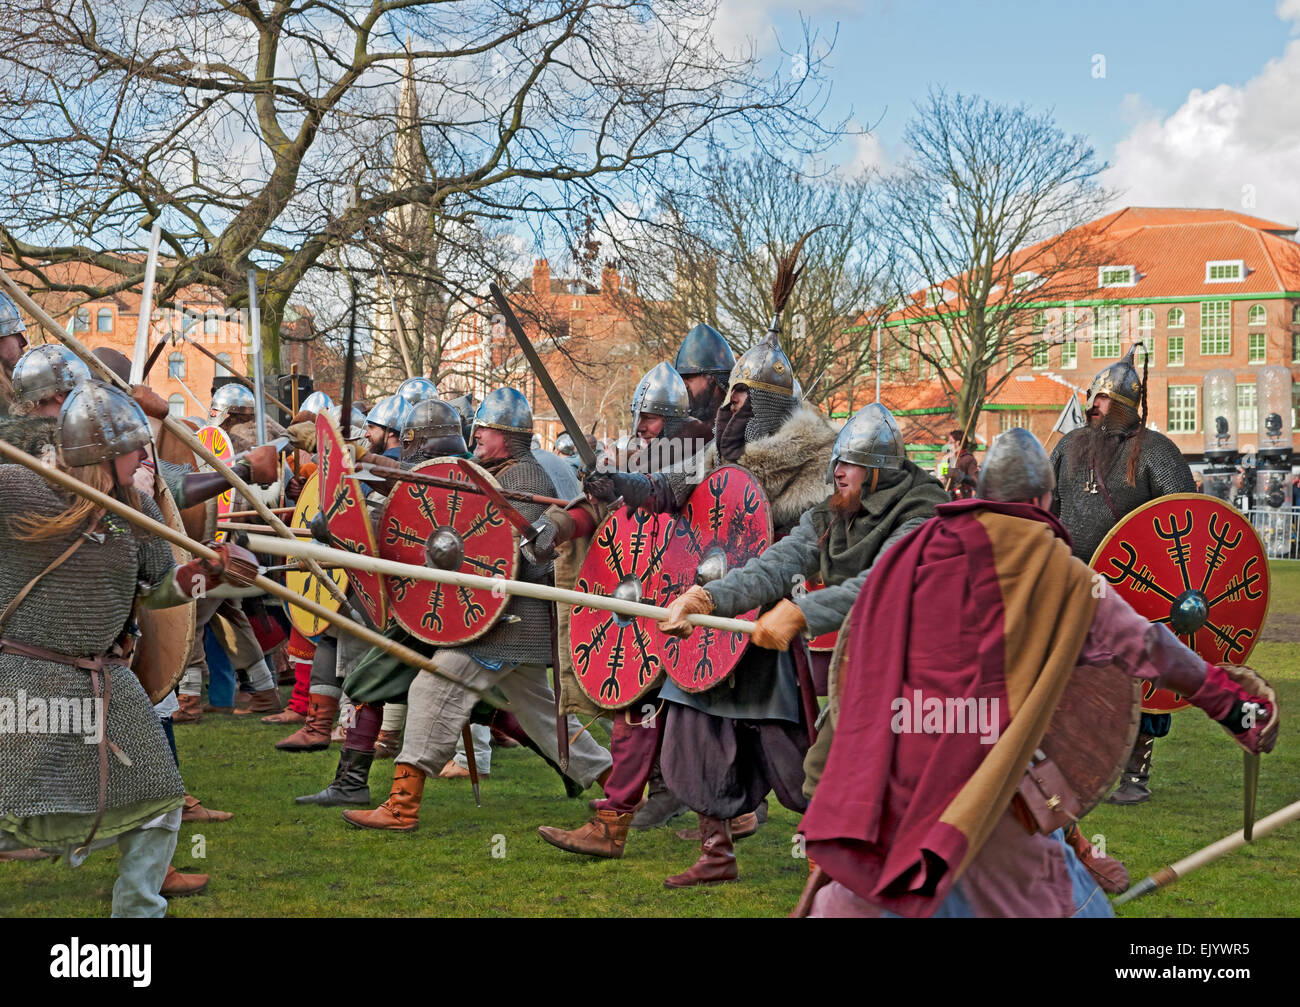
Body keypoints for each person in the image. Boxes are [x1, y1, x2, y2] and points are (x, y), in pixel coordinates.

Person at [797, 428, 1278, 918]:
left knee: (851, 901)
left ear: (981, 492)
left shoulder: (912, 553)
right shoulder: (1063, 575)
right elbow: (1150, 647)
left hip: (887, 785)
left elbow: (865, 654)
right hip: (982, 795)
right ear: (1046, 500)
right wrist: (1236, 708)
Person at [654, 400, 946, 886]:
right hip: (871, 660)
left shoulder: (923, 513)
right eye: (836, 462)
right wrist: (708, 599)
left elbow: (883, 584)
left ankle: (1058, 849)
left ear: (876, 471)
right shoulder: (834, 510)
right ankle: (838, 879)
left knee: (949, 775)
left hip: (930, 664)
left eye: (848, 464)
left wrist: (802, 611)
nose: (837, 472)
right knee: (830, 767)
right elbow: (776, 565)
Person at [0, 381, 254, 915]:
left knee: (160, 801)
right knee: (10, 810)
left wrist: (206, 574)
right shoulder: (19, 489)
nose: (145, 458)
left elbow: (161, 590)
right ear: (104, 453)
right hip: (26, 676)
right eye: (135, 448)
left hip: (109, 680)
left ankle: (137, 915)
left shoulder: (136, 509)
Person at [340, 389, 612, 830]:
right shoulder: (487, 471)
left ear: (508, 435)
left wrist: (540, 536)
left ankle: (402, 806)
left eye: (485, 428)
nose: (477, 433)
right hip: (499, 619)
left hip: (505, 619)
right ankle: (622, 788)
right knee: (542, 716)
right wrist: (376, 467)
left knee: (433, 689)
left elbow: (527, 550)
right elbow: (432, 487)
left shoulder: (526, 478)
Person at [537, 362, 711, 859]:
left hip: (685, 604)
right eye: (639, 417)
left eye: (652, 419)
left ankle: (720, 818)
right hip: (638, 604)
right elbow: (595, 509)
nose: (642, 428)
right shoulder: (629, 458)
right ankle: (618, 820)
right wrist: (560, 528)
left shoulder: (698, 460)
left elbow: (697, 517)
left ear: (675, 421)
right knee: (639, 712)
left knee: (694, 721)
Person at [1049, 345, 1196, 805]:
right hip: (1075, 581)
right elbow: (1049, 510)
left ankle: (1136, 772)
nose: (1093, 405)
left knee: (1140, 679)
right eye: (1094, 397)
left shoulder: (1156, 453)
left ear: (1127, 405)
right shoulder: (1070, 447)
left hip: (1137, 586)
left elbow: (1183, 522)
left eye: (1104, 399)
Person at [942, 429, 979, 499]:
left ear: (958, 443)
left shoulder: (968, 458)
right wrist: (944, 471)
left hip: (963, 497)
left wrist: (959, 476)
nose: (948, 444)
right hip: (950, 497)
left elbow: (975, 481)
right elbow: (944, 476)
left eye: (950, 442)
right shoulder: (949, 458)